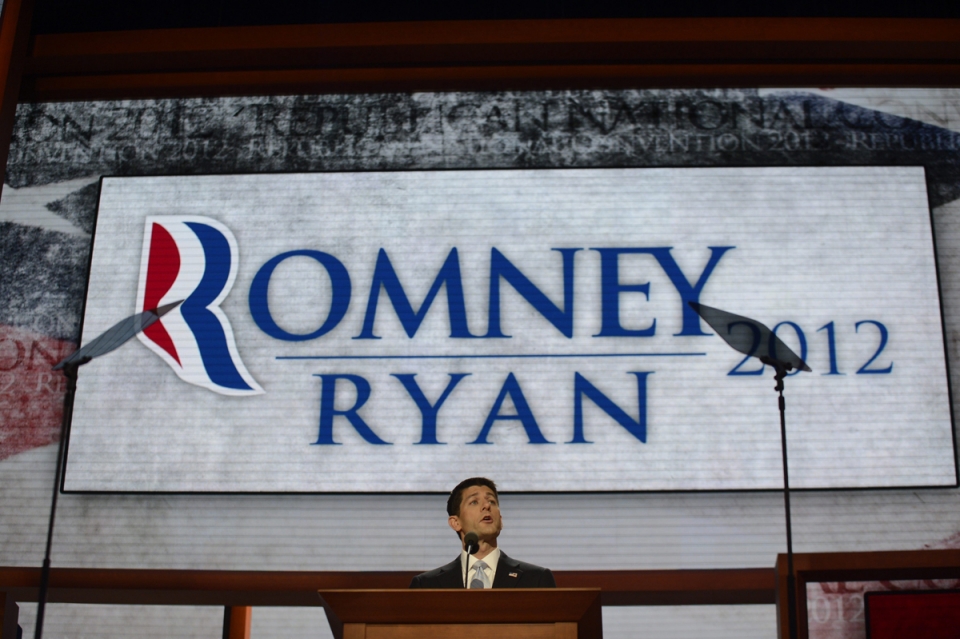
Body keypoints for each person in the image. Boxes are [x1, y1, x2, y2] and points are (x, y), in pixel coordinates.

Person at [409, 477, 556, 588]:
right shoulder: (427, 585)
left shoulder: (536, 579)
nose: (486, 506)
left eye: (491, 501)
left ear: (501, 520)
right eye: (474, 502)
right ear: (456, 522)